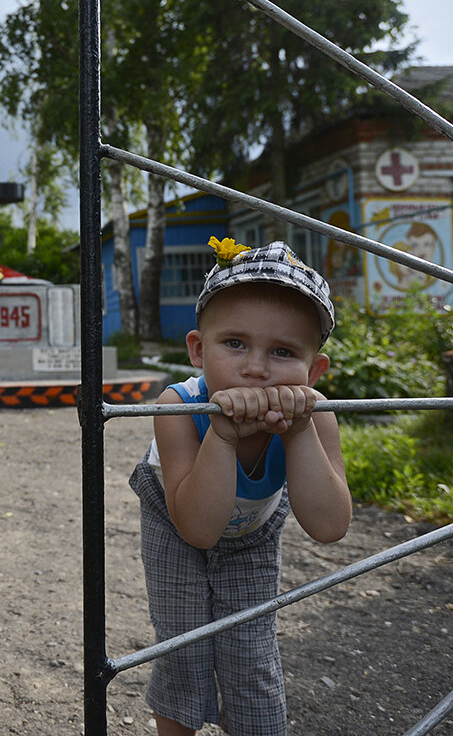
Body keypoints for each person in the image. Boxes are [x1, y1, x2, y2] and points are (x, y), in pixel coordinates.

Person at [130, 239, 352, 736]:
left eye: (283, 351)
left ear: (314, 372)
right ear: (197, 350)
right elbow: (198, 530)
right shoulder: (177, 406)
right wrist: (224, 437)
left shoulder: (316, 417)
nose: (256, 367)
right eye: (235, 343)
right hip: (178, 522)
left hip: (253, 529)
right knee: (184, 645)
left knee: (250, 649)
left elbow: (330, 526)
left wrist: (297, 431)